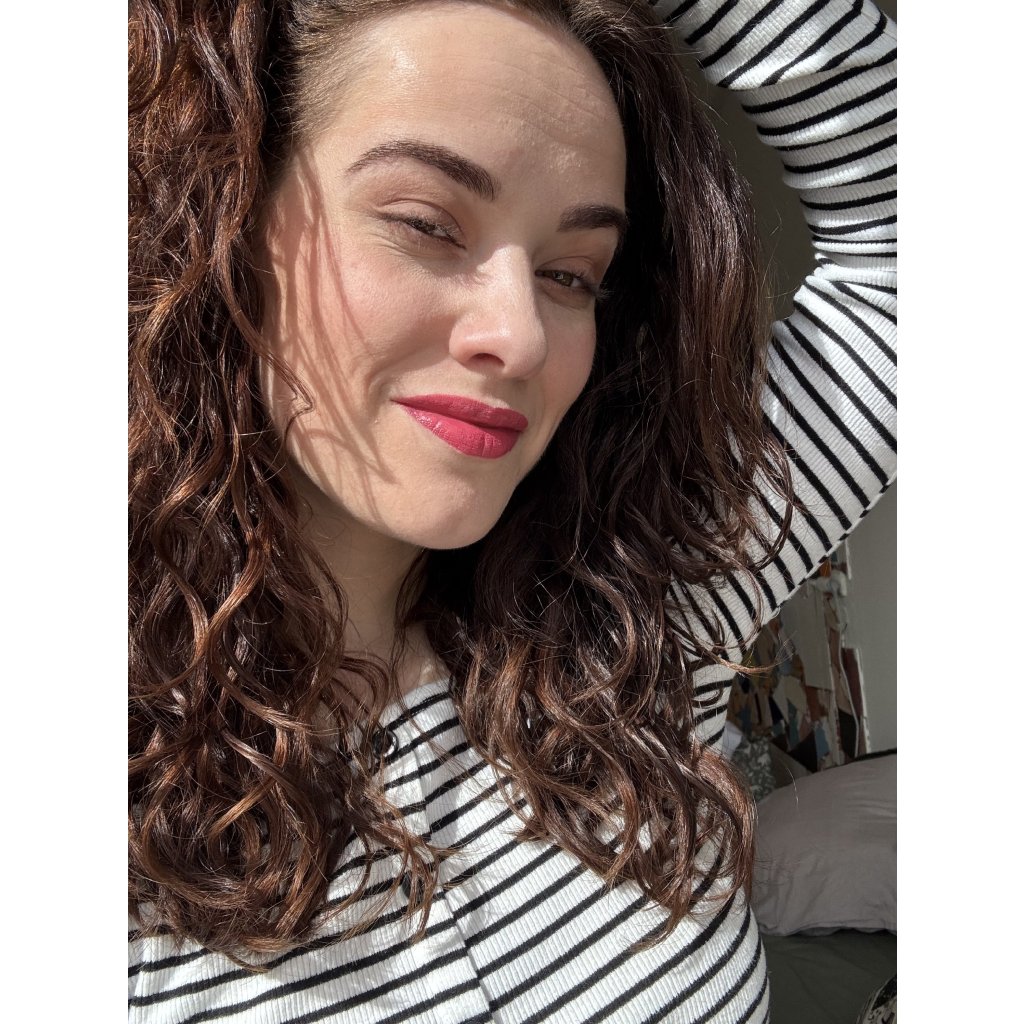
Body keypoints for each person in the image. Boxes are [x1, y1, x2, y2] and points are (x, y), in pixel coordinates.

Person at [128, 0, 896, 1020]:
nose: (521, 334)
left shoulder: (637, 622)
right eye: (426, 224)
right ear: (226, 216)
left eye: (570, 275)